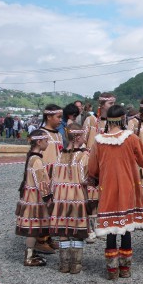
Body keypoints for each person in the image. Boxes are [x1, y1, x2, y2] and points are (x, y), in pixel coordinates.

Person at [88, 105, 143, 280]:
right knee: (126, 227)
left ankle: (112, 270)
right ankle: (125, 268)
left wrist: (98, 177)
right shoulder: (132, 139)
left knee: (111, 229)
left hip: (108, 189)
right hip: (128, 187)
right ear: (123, 119)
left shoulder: (99, 141)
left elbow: (92, 169)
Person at [50, 123, 89, 274]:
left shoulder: (59, 155)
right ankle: (76, 265)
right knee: (76, 230)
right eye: (84, 135)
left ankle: (64, 264)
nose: (86, 137)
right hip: (77, 197)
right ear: (78, 137)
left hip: (60, 197)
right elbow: (86, 178)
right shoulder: (84, 156)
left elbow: (53, 178)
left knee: (63, 230)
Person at [82, 92, 116, 243]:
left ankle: (99, 226)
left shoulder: (112, 122)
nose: (113, 106)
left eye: (114, 103)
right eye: (110, 104)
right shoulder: (90, 120)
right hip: (91, 161)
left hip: (107, 163)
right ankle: (89, 228)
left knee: (103, 195)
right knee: (90, 196)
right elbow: (82, 139)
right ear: (101, 105)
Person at [15, 129, 51, 266]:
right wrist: (48, 197)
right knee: (33, 228)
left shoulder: (32, 157)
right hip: (34, 199)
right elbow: (41, 181)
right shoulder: (36, 160)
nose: (48, 143)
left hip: (31, 197)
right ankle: (29, 256)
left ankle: (31, 253)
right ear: (39, 141)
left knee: (34, 227)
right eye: (46, 141)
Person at [35, 104, 63, 254]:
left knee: (52, 208)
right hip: (45, 176)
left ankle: (48, 237)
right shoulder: (41, 134)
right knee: (43, 207)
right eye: (58, 117)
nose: (60, 120)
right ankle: (40, 240)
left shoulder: (58, 134)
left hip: (56, 177)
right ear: (49, 117)